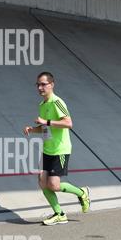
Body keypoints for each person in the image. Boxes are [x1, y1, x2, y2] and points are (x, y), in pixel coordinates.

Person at [24, 72, 90, 225]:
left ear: (52, 85)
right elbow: (46, 128)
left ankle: (82, 192)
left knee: (54, 185)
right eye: (38, 85)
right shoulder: (42, 105)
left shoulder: (57, 102)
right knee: (42, 181)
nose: (40, 88)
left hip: (60, 150)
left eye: (43, 84)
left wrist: (46, 121)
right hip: (47, 149)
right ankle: (59, 214)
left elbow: (68, 123)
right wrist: (33, 129)